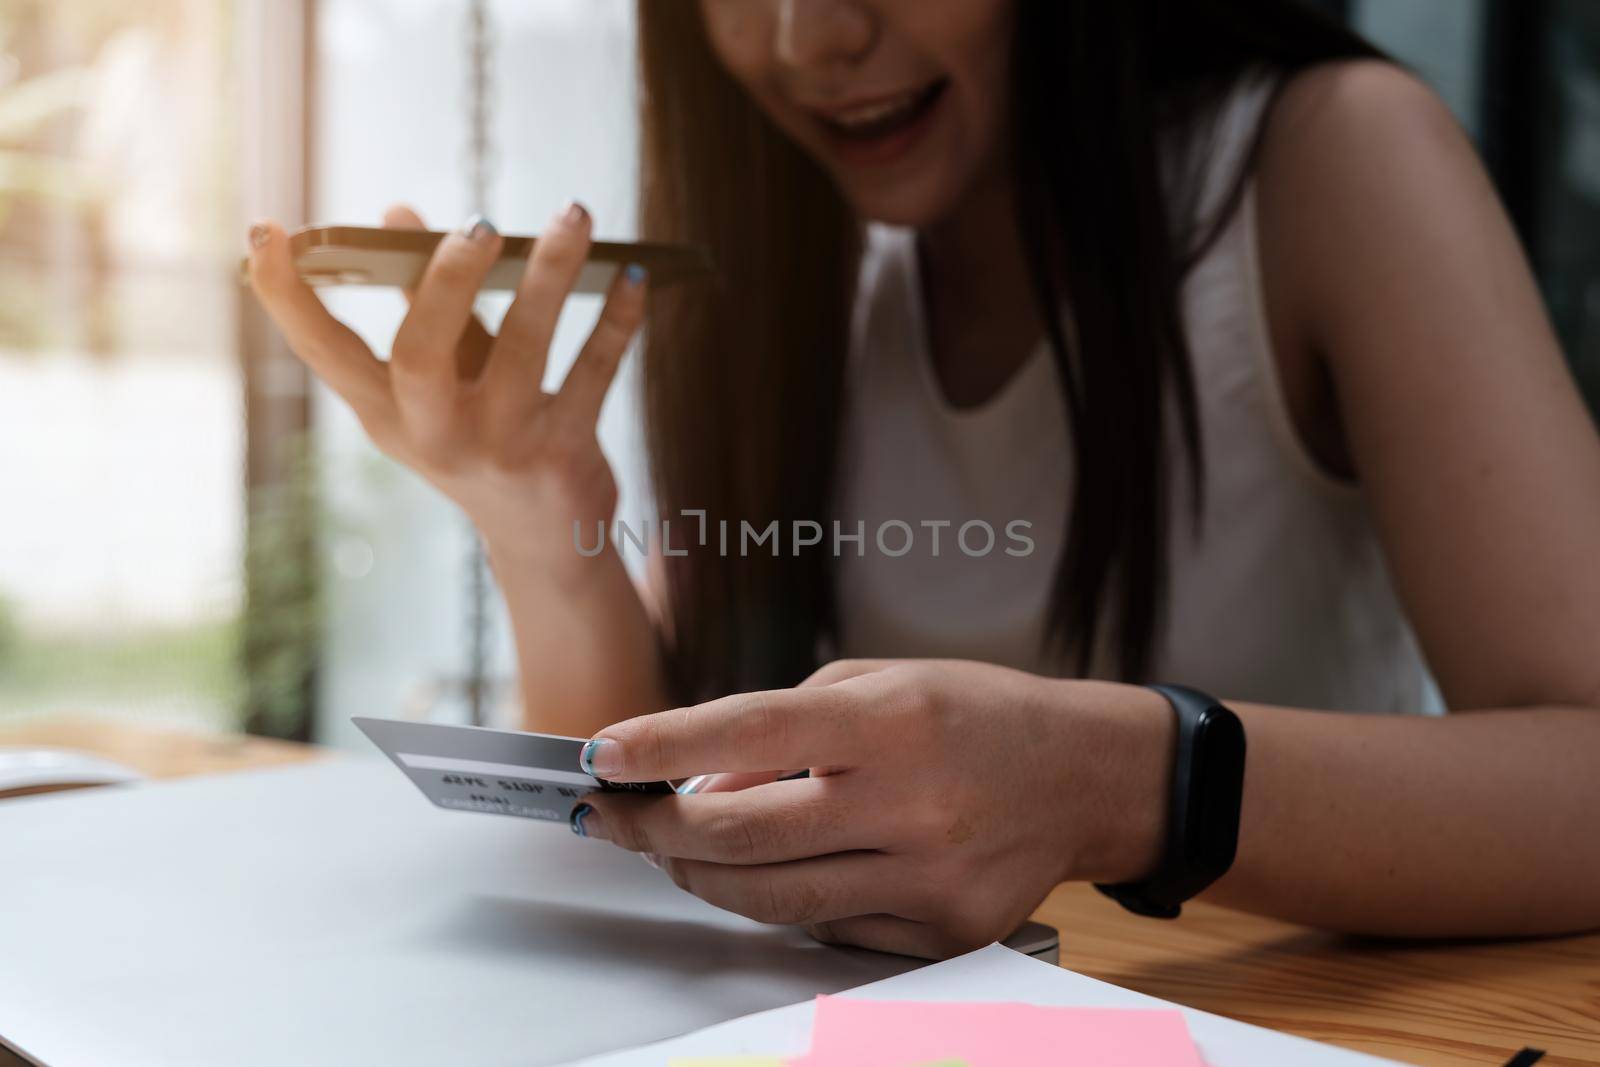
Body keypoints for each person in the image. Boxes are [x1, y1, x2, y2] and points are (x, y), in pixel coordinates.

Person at [247, 0, 1600, 959]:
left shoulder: (1328, 158)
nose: (804, 38)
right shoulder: (795, 253)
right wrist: (543, 526)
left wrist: (1118, 782)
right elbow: (654, 819)